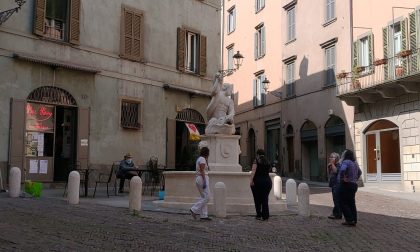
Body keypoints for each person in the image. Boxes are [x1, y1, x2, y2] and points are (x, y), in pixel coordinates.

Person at [338, 149, 361, 226]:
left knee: (343, 202)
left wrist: (342, 178)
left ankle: (349, 219)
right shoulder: (354, 163)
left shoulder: (346, 162)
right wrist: (355, 179)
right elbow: (360, 172)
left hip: (347, 185)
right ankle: (354, 220)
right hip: (354, 185)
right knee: (351, 203)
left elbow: (342, 170)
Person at [250, 149, 273, 221]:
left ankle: (259, 215)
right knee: (265, 198)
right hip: (267, 181)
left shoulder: (256, 161)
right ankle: (265, 216)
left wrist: (251, 181)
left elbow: (253, 171)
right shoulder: (268, 161)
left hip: (258, 182)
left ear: (257, 154)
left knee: (257, 199)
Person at [190, 147, 212, 220]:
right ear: (207, 153)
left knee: (204, 196)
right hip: (202, 178)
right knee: (207, 197)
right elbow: (202, 170)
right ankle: (194, 209)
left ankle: (204, 215)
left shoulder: (200, 159)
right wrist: (204, 181)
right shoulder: (202, 159)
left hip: (199, 178)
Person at [327, 152, 342, 220]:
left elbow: (336, 171)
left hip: (337, 184)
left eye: (332, 157)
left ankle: (338, 214)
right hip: (333, 184)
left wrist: (332, 164)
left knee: (337, 200)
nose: (331, 158)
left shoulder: (339, 165)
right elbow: (330, 174)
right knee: (335, 199)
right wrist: (329, 166)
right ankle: (336, 213)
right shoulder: (331, 165)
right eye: (330, 157)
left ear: (336, 158)